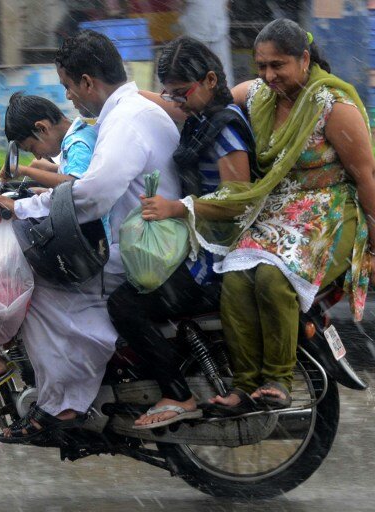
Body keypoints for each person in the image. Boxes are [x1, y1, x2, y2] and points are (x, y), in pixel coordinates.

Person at [0, 30, 182, 441]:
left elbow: (90, 195)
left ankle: (63, 407)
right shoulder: (129, 111)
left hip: (140, 252)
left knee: (36, 292)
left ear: (88, 82)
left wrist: (22, 207)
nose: (68, 97)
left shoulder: (125, 121)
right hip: (145, 239)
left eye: (69, 86)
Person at [199, 18, 375, 412]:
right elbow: (207, 100)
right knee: (235, 279)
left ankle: (278, 380)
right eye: (262, 66)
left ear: (304, 59)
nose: (269, 75)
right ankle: (242, 385)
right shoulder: (256, 96)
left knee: (273, 277)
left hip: (328, 213)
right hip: (274, 212)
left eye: (278, 65)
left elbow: (367, 177)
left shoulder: (334, 107)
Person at [107, 36, 258, 429]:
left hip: (219, 255)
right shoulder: (203, 116)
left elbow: (237, 202)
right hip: (202, 242)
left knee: (125, 304)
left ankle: (177, 393)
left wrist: (176, 208)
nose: (175, 101)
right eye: (169, 92)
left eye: (181, 92)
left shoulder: (225, 130)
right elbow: (169, 107)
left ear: (210, 80)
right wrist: (117, 97)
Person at [0, 92, 102, 406]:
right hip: (85, 235)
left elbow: (74, 184)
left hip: (93, 243)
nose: (34, 153)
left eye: (31, 146)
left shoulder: (78, 140)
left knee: (12, 269)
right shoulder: (74, 140)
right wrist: (33, 180)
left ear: (42, 127)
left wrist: (24, 171)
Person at [178, 0, 233, 85]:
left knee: (224, 77)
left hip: (219, 35)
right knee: (194, 77)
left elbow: (227, 5)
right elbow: (179, 5)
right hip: (195, 37)